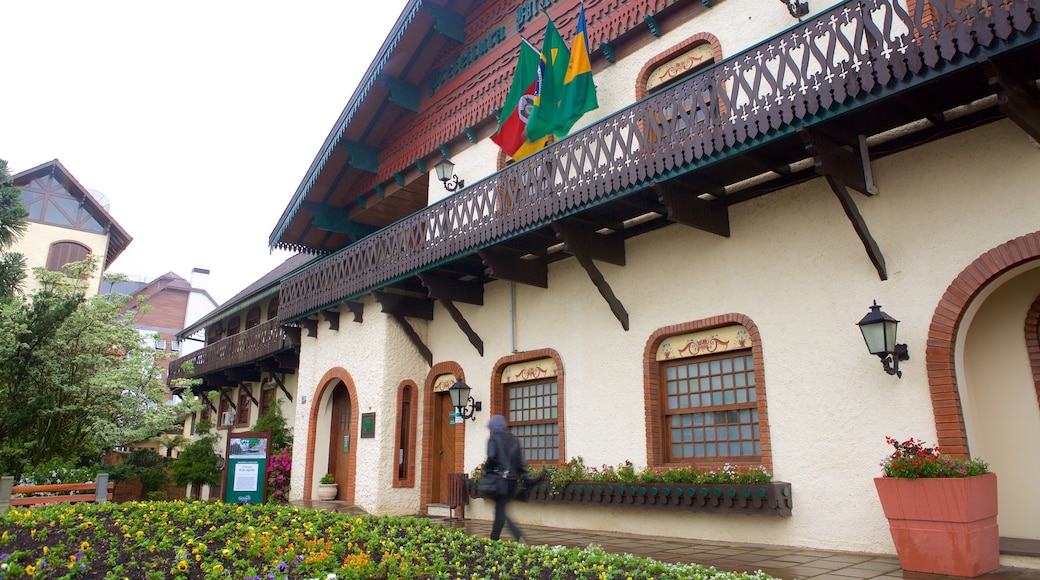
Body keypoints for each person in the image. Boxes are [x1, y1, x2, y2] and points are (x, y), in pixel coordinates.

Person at [484, 414, 531, 543]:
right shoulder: (514, 440)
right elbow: (520, 464)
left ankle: (519, 536)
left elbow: (491, 458)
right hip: (512, 482)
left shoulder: (493, 439)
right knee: (500, 510)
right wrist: (526, 479)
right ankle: (494, 539)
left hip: (500, 481)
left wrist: (487, 470)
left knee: (501, 512)